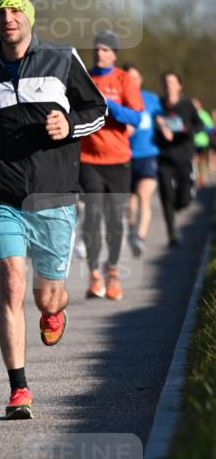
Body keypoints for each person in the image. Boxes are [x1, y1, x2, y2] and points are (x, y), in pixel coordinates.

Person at [0, 0, 107, 420]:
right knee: (11, 284)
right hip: (1, 191)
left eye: (16, 9)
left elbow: (96, 110)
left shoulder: (62, 60)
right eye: (1, 11)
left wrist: (69, 126)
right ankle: (19, 388)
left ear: (30, 14)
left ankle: (55, 312)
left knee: (47, 297)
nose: (8, 18)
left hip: (54, 194)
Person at [79, 32, 144, 300]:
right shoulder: (84, 79)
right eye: (96, 49)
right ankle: (94, 274)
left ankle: (113, 270)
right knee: (93, 215)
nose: (99, 53)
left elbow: (137, 117)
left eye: (105, 50)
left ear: (114, 54)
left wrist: (109, 106)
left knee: (115, 220)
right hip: (88, 159)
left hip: (118, 160)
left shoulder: (124, 79)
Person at [155, 72, 203, 246]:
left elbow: (200, 126)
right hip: (164, 158)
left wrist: (184, 128)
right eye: (166, 82)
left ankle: (179, 203)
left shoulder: (187, 105)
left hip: (184, 157)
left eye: (172, 82)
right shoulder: (158, 105)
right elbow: (151, 125)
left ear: (179, 86)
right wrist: (159, 126)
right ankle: (172, 234)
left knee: (184, 200)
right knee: (166, 194)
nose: (168, 86)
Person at [124, 65, 162, 257]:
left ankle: (140, 236)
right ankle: (132, 232)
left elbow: (165, 116)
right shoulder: (121, 99)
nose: (132, 82)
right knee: (131, 201)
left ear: (141, 79)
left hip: (148, 155)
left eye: (135, 78)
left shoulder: (151, 99)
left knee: (143, 195)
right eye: (128, 78)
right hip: (127, 156)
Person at [192, 97, 215, 188]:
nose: (194, 106)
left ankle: (201, 178)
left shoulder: (204, 114)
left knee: (200, 160)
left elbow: (210, 128)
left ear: (200, 104)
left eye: (196, 104)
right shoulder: (191, 114)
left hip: (202, 141)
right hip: (192, 141)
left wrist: (201, 128)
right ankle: (196, 177)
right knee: (194, 159)